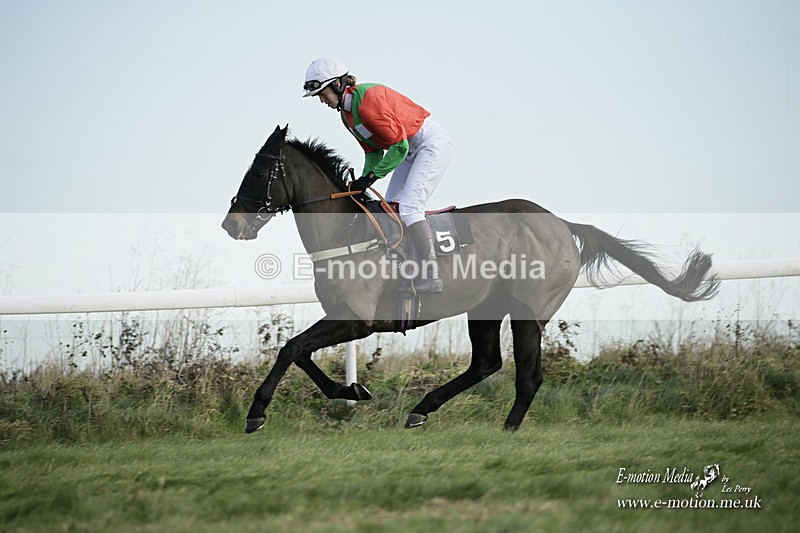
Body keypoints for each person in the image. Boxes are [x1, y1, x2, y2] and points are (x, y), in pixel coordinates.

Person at [303, 57, 453, 293]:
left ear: (338, 85)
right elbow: (373, 151)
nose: (321, 100)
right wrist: (362, 181)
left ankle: (432, 276)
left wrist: (372, 177)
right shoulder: (347, 115)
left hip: (428, 144)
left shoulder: (367, 101)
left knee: (411, 208)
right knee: (390, 206)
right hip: (406, 148)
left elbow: (400, 146)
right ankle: (406, 266)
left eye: (323, 93)